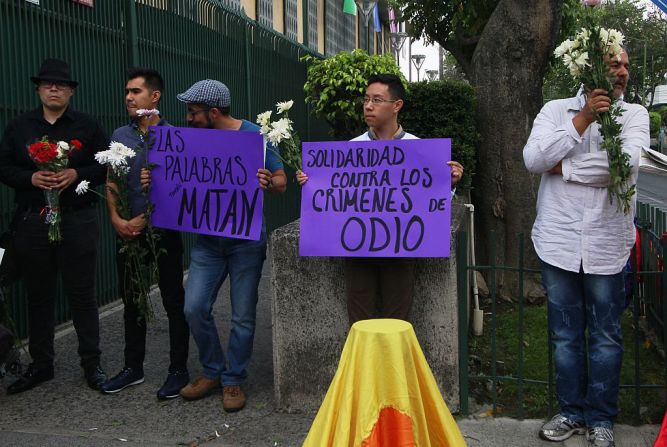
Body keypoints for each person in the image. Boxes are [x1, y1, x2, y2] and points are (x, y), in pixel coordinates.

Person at [523, 50, 649, 447]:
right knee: (565, 335)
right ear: (591, 67)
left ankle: (601, 419)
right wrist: (583, 120)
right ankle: (572, 412)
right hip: (558, 241)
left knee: (607, 336)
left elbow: (623, 165)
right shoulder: (556, 110)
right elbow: (532, 159)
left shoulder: (634, 116)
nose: (624, 72)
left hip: (607, 243)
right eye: (615, 64)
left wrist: (566, 169)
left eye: (626, 65)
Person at [296, 73, 463, 324]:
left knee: (398, 322)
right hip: (357, 250)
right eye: (365, 99)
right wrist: (312, 184)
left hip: (402, 250)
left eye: (376, 99)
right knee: (359, 322)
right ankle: (362, 365)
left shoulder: (420, 149)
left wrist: (448, 183)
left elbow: (431, 205)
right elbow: (334, 198)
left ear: (397, 106)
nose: (368, 106)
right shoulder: (350, 149)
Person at [169, 79, 286, 412]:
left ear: (214, 112)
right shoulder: (190, 139)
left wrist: (268, 180)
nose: (189, 118)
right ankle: (212, 370)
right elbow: (174, 175)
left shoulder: (254, 136)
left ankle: (232, 380)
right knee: (194, 307)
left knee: (243, 316)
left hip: (245, 243)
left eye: (193, 112)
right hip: (207, 243)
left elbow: (281, 181)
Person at [0, 58, 108, 394]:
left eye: (61, 84)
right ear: (38, 88)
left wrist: (79, 173)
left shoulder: (87, 126)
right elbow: (3, 167)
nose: (54, 88)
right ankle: (42, 365)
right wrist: (30, 177)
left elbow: (107, 164)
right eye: (47, 84)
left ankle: (92, 365)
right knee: (39, 295)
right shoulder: (20, 127)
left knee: (82, 295)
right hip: (33, 220)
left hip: (77, 218)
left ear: (71, 91)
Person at [99, 68, 190, 399]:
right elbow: (111, 179)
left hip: (164, 233)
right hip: (127, 233)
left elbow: (181, 189)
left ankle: (178, 369)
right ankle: (132, 368)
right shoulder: (120, 135)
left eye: (135, 91)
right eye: (126, 91)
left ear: (155, 97)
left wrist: (145, 218)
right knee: (132, 302)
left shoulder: (174, 137)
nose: (128, 97)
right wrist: (116, 219)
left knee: (173, 300)